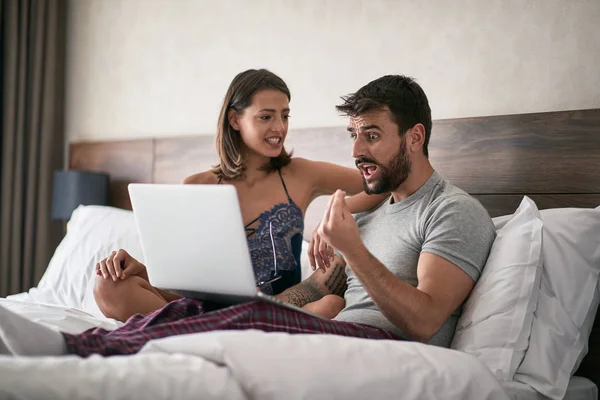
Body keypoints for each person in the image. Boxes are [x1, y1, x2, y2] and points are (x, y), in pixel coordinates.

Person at [0, 74, 496, 358]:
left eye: (370, 135)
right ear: (235, 122)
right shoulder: (377, 212)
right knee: (227, 309)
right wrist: (291, 301)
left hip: (374, 342)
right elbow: (322, 290)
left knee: (257, 314)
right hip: (322, 319)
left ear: (414, 136)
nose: (358, 151)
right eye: (353, 136)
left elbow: (428, 320)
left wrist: (349, 245)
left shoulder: (453, 210)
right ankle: (82, 342)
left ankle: (74, 349)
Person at [92, 68, 388, 323]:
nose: (279, 127)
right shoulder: (198, 185)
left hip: (275, 308)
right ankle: (217, 329)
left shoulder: (301, 174)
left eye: (284, 116)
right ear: (235, 120)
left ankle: (202, 330)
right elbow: (186, 279)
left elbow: (382, 184)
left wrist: (336, 212)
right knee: (107, 286)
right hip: (206, 307)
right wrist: (142, 271)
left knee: (331, 305)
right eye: (266, 117)